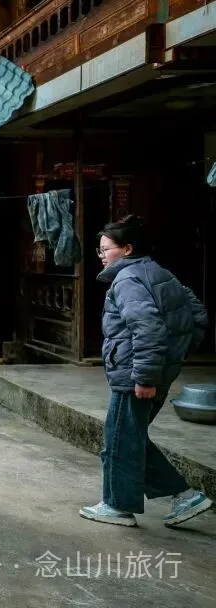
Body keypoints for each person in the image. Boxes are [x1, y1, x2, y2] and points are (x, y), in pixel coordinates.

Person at [80, 215, 211, 527]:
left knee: (122, 438)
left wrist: (147, 376)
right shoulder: (158, 273)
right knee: (126, 437)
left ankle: (124, 505)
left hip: (136, 375)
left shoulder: (127, 281)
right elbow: (196, 315)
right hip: (152, 371)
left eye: (105, 249)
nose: (101, 256)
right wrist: (172, 360)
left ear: (127, 249)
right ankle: (179, 497)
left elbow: (148, 328)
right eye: (99, 251)